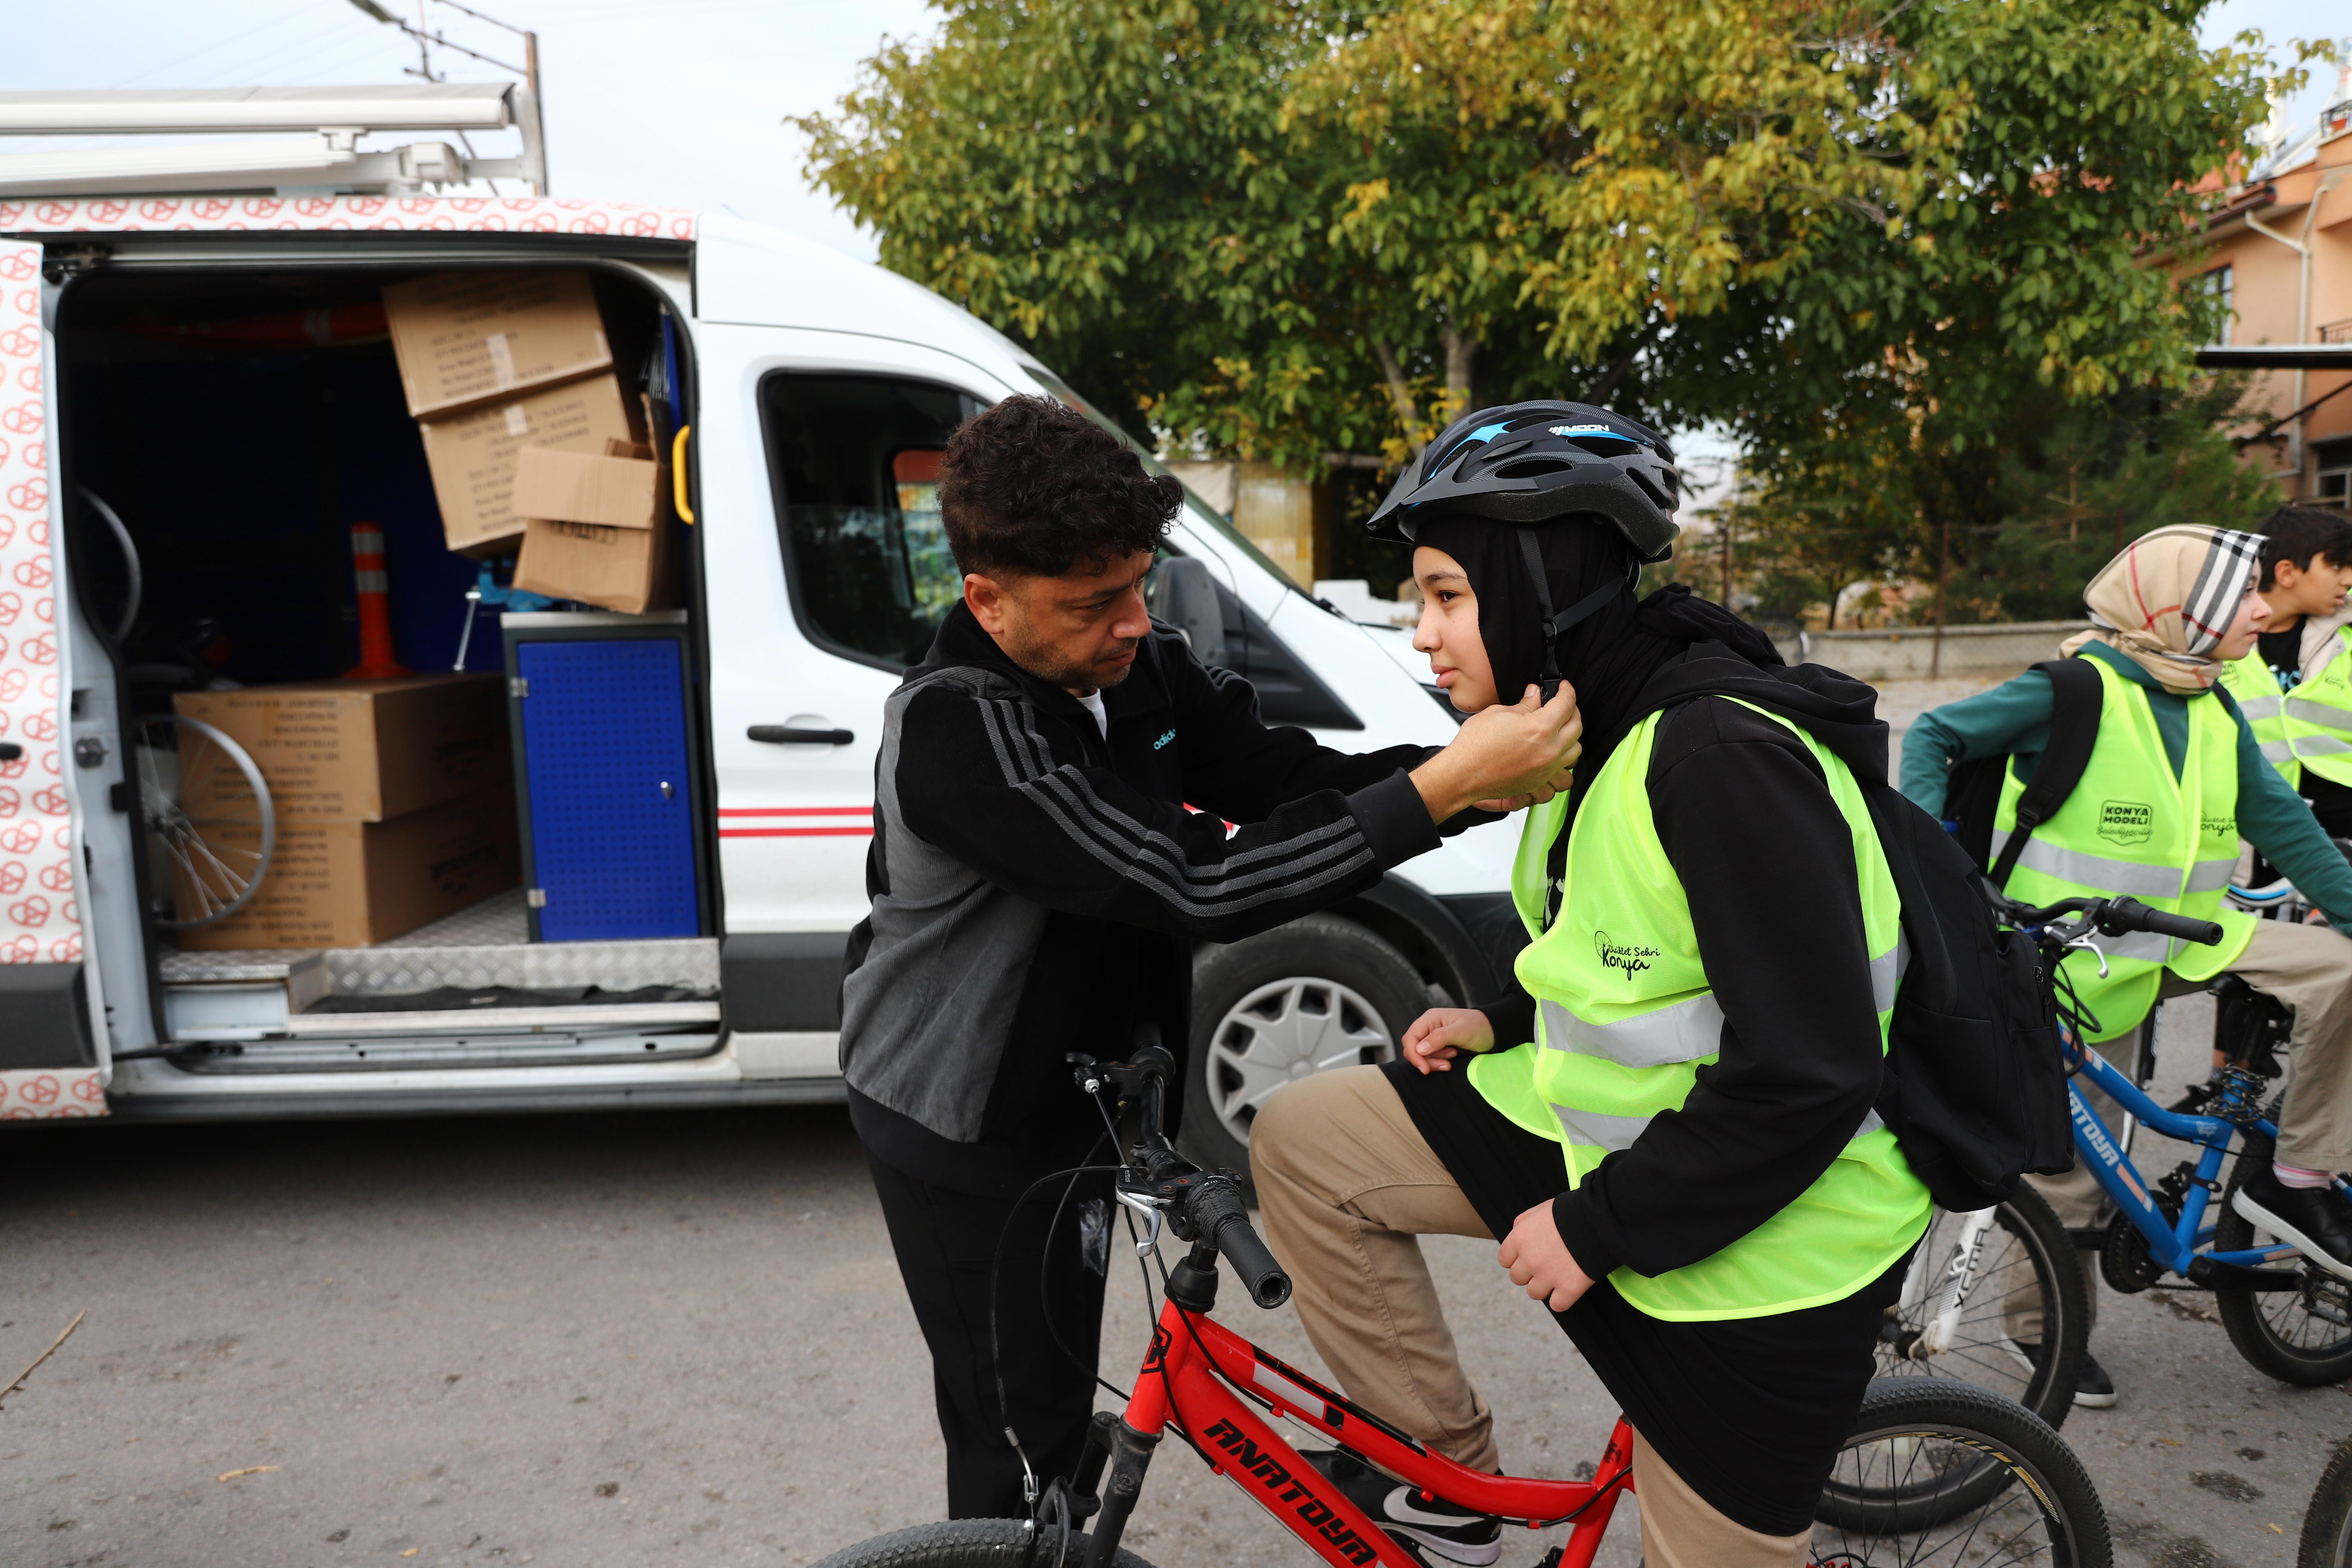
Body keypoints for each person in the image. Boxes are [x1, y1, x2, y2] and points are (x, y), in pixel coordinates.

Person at [837, 394, 1583, 1520]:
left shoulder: (1133, 664)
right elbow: (1195, 884)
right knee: (1009, 1421)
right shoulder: (961, 731)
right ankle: (1009, 1534)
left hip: (1075, 1093)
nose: (1134, 621)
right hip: (960, 1116)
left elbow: (1282, 779)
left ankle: (1053, 1511)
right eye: (1093, 603)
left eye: (1140, 583)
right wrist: (1453, 788)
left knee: (1058, 1373)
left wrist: (1471, 771)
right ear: (988, 601)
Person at [1251, 401, 1932, 1568]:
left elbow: (1811, 1070)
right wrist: (1503, 1016)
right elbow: (1630, 943)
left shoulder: (1715, 755)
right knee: (1304, 1138)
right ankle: (1445, 1484)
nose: (1423, 633)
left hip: (1766, 1251)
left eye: (1447, 595)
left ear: (1541, 584)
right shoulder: (1583, 725)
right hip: (1615, 1155)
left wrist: (1591, 1229)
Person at [1902, 524, 2352, 1407]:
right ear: (2177, 613)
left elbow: (2286, 829)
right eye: (2242, 595)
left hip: (2175, 940)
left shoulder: (2213, 703)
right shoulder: (2073, 689)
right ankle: (2048, 1339)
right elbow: (1931, 740)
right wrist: (1928, 884)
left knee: (2337, 971)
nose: (2262, 608)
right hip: (2063, 961)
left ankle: (2298, 1178)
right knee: (2066, 1170)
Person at [2217, 504, 2352, 794]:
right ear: (2287, 573)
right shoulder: (2212, 641)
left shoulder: (2346, 636)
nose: (2349, 580)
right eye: (2337, 566)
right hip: (2256, 820)